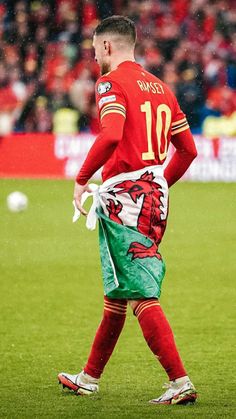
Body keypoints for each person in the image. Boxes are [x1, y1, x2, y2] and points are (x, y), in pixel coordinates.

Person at [58, 15, 198, 405]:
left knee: (138, 295)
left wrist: (82, 177)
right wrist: (157, 185)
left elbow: (112, 133)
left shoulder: (110, 83)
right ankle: (89, 377)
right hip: (151, 193)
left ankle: (180, 381)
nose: (94, 55)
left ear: (105, 47)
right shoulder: (161, 88)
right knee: (119, 292)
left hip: (125, 196)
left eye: (93, 48)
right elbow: (188, 150)